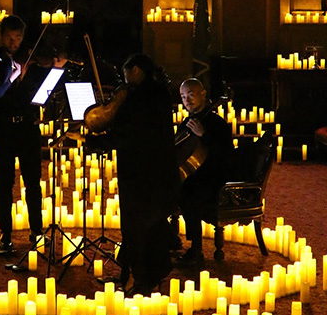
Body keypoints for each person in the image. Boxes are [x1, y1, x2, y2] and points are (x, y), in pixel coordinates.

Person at [96, 53, 179, 295]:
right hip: (152, 169)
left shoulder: (143, 96)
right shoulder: (156, 92)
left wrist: (99, 141)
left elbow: (131, 133)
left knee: (139, 225)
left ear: (135, 70)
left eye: (125, 75)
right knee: (143, 224)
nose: (124, 81)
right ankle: (132, 274)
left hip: (142, 172)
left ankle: (142, 278)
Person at [0, 15, 47, 255]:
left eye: (18, 38)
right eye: (9, 38)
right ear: (1, 36)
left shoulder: (32, 61)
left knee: (33, 182)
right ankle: (6, 233)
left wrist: (44, 71)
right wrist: (8, 76)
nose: (14, 43)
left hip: (28, 128)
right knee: (5, 183)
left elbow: (42, 93)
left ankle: (37, 230)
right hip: (3, 127)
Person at [176, 78, 233, 266]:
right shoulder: (187, 122)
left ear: (203, 94)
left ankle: (196, 248)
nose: (187, 100)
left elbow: (225, 154)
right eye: (183, 96)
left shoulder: (216, 123)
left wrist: (204, 135)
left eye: (191, 95)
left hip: (213, 178)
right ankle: (169, 239)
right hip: (193, 176)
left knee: (187, 193)